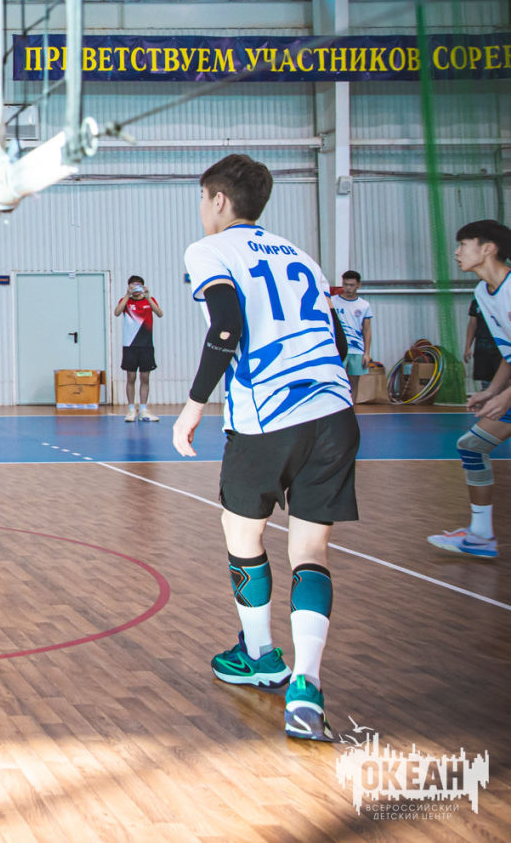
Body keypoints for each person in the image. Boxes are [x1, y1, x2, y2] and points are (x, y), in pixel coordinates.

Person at [172, 154, 357, 741]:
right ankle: (306, 685)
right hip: (334, 413)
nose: (201, 210)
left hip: (267, 417)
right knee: (311, 552)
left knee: (242, 535)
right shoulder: (302, 255)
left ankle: (259, 655)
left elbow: (225, 326)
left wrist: (193, 406)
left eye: (202, 199)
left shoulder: (210, 250)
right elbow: (336, 339)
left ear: (218, 199)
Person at [427, 220, 511, 560]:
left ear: (488, 248)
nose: (457, 252)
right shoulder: (483, 293)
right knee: (473, 446)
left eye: (464, 244)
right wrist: (493, 390)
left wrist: (505, 396)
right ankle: (480, 535)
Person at [114, 276, 162, 422]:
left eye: (138, 286)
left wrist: (148, 297)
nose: (136, 289)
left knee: (145, 378)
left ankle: (143, 410)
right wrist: (127, 295)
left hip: (146, 345)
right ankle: (130, 410)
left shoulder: (149, 300)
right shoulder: (126, 301)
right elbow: (117, 312)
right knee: (131, 377)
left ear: (143, 286)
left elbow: (159, 313)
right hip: (130, 345)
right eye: (133, 286)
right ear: (129, 287)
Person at [331, 270, 374, 402]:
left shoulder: (364, 305)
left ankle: (352, 406)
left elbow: (367, 330)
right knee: (337, 379)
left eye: (351, 285)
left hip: (357, 349)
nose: (348, 288)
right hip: (338, 348)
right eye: (345, 284)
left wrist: (366, 353)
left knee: (354, 382)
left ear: (358, 285)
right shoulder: (332, 302)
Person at [466, 299, 505, 393]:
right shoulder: (477, 301)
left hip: (502, 349)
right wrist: (467, 347)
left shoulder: (504, 298)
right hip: (483, 348)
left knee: (504, 381)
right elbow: (472, 324)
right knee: (486, 383)